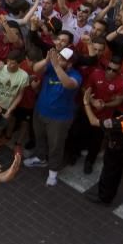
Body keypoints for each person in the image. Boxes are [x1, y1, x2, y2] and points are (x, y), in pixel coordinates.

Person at [25, 46, 82, 186]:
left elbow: (69, 84)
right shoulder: (51, 66)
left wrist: (57, 66)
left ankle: (53, 173)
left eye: (62, 59)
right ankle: (40, 158)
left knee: (56, 145)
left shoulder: (76, 75)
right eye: (58, 56)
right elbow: (35, 69)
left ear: (70, 64)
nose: (58, 59)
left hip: (59, 118)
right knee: (39, 137)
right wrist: (46, 60)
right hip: (40, 110)